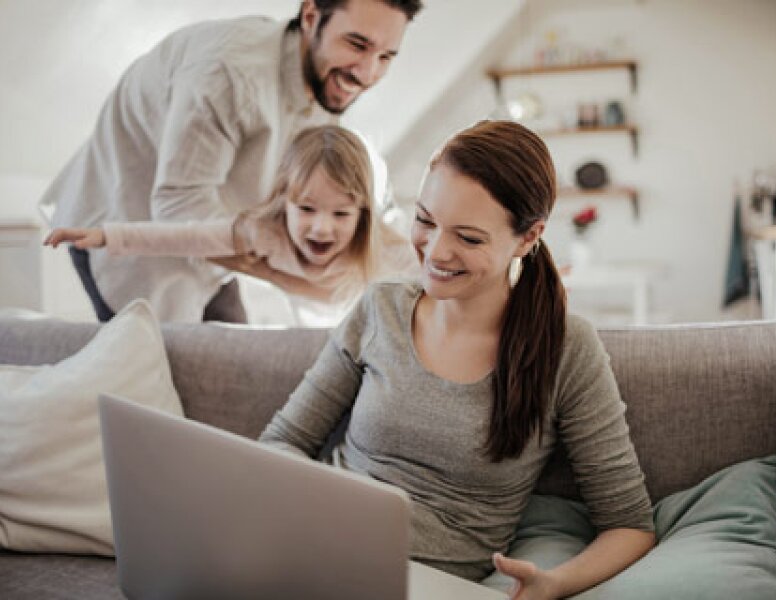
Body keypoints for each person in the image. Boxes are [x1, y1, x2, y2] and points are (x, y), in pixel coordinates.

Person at [259, 120, 655, 599]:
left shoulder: (566, 348)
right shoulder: (380, 308)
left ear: (528, 238)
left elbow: (630, 525)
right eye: (425, 220)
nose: (435, 251)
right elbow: (282, 441)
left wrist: (554, 583)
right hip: (313, 547)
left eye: (468, 238)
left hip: (425, 585)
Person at [39, 0, 423, 323]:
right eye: (357, 45)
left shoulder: (328, 81)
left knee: (229, 370)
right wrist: (288, 276)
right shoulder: (227, 75)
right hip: (129, 233)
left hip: (212, 243)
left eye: (386, 56)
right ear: (310, 17)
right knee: (150, 389)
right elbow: (177, 211)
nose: (369, 73)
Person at [44, 125, 416, 314]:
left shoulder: (387, 251)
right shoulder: (263, 232)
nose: (321, 227)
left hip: (344, 304)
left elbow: (436, 276)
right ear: (283, 201)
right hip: (301, 295)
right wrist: (105, 235)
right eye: (306, 209)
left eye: (341, 213)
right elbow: (183, 237)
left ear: (363, 213)